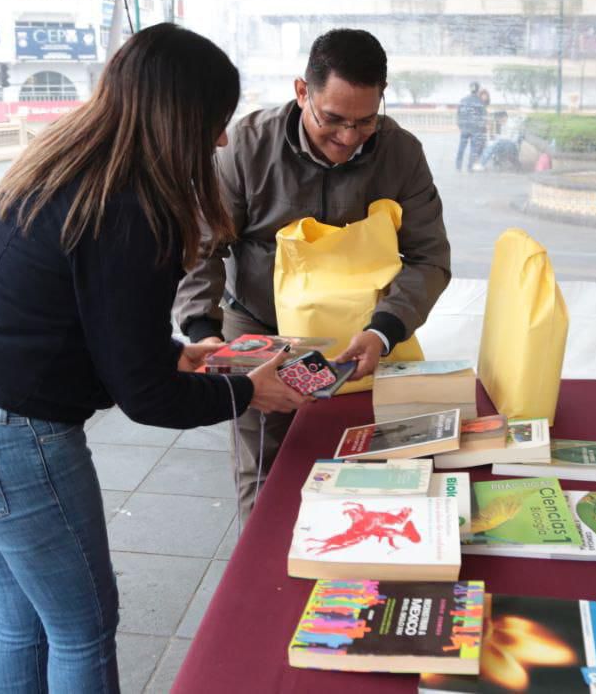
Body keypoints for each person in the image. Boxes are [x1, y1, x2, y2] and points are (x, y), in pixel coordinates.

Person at [0, 23, 308, 693]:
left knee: (22, 615)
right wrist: (249, 393)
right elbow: (144, 396)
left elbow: (89, 323)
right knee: (82, 628)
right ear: (179, 117)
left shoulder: (74, 162)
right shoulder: (131, 210)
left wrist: (179, 355)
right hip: (9, 437)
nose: (219, 140)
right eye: (214, 121)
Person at [175, 28, 452, 519]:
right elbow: (200, 247)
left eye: (366, 122)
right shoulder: (245, 147)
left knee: (367, 456)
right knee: (265, 465)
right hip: (262, 329)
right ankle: (261, 583)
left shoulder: (401, 153)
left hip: (361, 336)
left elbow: (430, 257)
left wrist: (384, 331)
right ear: (302, 90)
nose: (347, 139)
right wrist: (205, 331)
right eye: (333, 120)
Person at [455, 81, 486, 172]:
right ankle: (470, 167)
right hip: (475, 129)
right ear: (478, 89)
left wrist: (460, 125)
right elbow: (483, 117)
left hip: (465, 128)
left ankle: (458, 166)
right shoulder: (480, 102)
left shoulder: (463, 100)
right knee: (473, 149)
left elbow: (459, 114)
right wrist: (480, 127)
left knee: (461, 147)